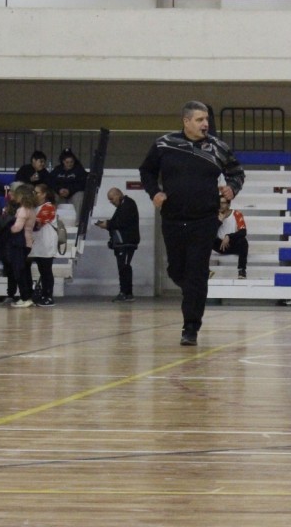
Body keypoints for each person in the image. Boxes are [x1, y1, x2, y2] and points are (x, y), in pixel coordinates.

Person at [139, 100, 245, 346]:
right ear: (186, 121)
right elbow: (146, 171)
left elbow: (236, 172)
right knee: (177, 271)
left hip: (204, 220)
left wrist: (232, 188)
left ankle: (190, 327)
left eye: (206, 119)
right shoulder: (164, 144)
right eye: (199, 120)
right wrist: (154, 192)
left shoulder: (218, 147)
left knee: (196, 274)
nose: (205, 124)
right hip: (173, 219)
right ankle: (193, 289)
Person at [95, 187, 140, 302]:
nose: (111, 202)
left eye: (111, 199)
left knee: (123, 267)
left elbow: (121, 222)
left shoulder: (128, 204)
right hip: (123, 242)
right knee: (124, 267)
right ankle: (128, 293)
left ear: (118, 195)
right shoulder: (124, 205)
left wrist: (108, 224)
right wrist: (108, 224)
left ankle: (124, 292)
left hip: (126, 242)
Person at [7, 184, 37, 309]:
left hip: (20, 243)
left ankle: (25, 297)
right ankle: (27, 295)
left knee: (19, 271)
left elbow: (17, 228)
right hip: (28, 242)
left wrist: (7, 229)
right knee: (25, 270)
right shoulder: (31, 209)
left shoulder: (23, 210)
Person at [30, 184, 58, 306]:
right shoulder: (35, 207)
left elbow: (37, 225)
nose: (34, 195)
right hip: (37, 243)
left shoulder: (48, 207)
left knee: (46, 270)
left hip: (46, 243)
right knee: (41, 270)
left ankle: (48, 296)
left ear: (44, 194)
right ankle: (41, 294)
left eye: (37, 193)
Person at [213, 194, 249, 279]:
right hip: (220, 245)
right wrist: (219, 222)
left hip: (233, 244)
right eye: (219, 203)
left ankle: (242, 270)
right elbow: (208, 233)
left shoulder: (236, 214)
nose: (221, 205)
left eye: (223, 203)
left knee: (243, 241)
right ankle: (205, 270)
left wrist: (229, 236)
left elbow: (243, 232)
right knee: (205, 239)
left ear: (229, 204)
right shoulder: (214, 215)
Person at [49, 148, 89, 212]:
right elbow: (51, 182)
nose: (69, 164)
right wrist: (59, 189)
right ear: (63, 161)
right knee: (51, 195)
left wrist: (69, 190)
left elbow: (82, 183)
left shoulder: (79, 169)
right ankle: (51, 217)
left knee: (80, 195)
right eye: (67, 162)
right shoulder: (57, 169)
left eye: (71, 162)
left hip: (73, 195)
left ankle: (80, 218)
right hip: (60, 195)